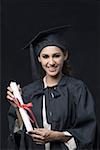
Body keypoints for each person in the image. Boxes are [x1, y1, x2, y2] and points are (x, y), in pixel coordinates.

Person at [6, 25, 96, 150]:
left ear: (65, 56)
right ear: (39, 59)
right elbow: (22, 136)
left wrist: (56, 136)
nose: (51, 62)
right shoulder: (28, 92)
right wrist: (18, 107)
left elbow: (88, 132)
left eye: (56, 56)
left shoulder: (77, 89)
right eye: (45, 57)